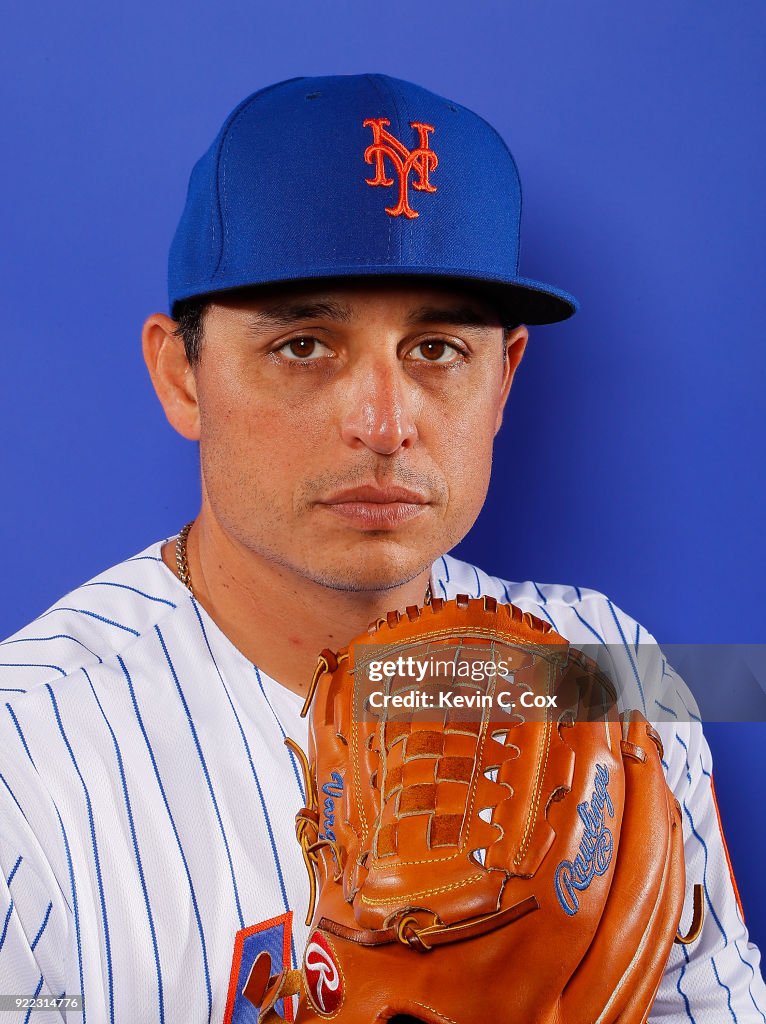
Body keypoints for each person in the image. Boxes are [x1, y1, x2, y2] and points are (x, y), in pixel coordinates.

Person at [0, 73, 763, 1024]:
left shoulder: (610, 669)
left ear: (504, 380)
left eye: (437, 348)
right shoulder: (24, 756)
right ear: (181, 376)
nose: (383, 421)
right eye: (304, 346)